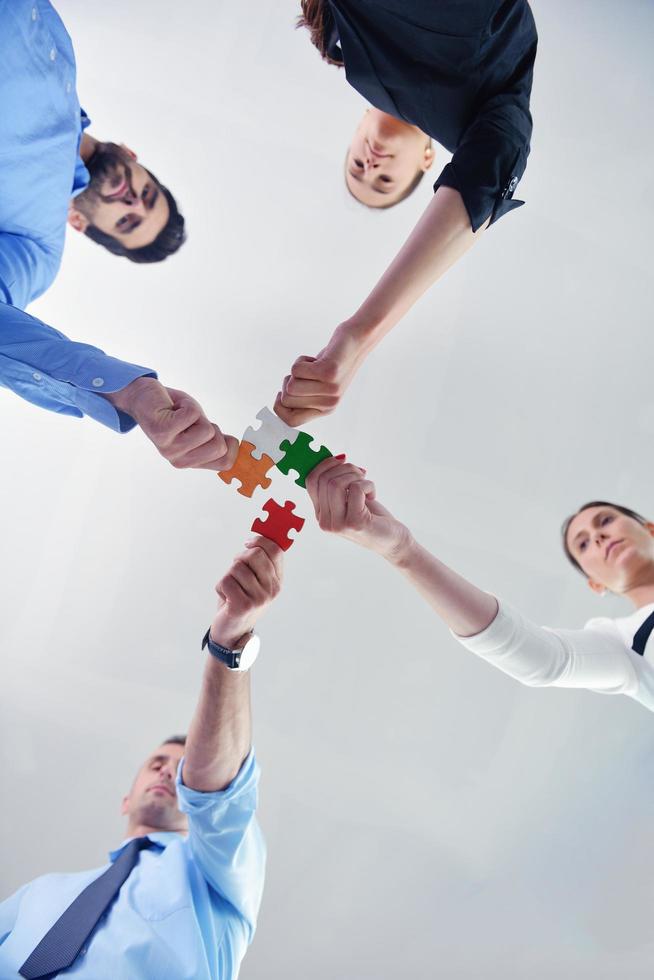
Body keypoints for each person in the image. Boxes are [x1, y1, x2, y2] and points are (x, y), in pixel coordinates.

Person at [0, 534, 284, 979]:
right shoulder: (35, 895)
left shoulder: (220, 870)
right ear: (124, 800)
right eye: (157, 764)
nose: (169, 772)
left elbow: (217, 795)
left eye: (182, 768)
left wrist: (227, 642)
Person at [275, 0, 537, 426]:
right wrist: (357, 337)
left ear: (358, 129)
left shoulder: (341, 43)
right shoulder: (488, 109)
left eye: (356, 166)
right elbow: (485, 181)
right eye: (383, 181)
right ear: (428, 160)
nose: (371, 165)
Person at [0, 0, 237, 470]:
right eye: (147, 195)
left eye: (127, 220)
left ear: (79, 223)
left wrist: (129, 392)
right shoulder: (61, 54)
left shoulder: (37, 245)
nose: (132, 201)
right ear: (132, 154)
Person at [305, 456, 654, 713]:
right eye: (583, 544)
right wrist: (402, 551)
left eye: (605, 520)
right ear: (595, 584)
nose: (598, 536)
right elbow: (543, 657)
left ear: (649, 528)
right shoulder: (623, 643)